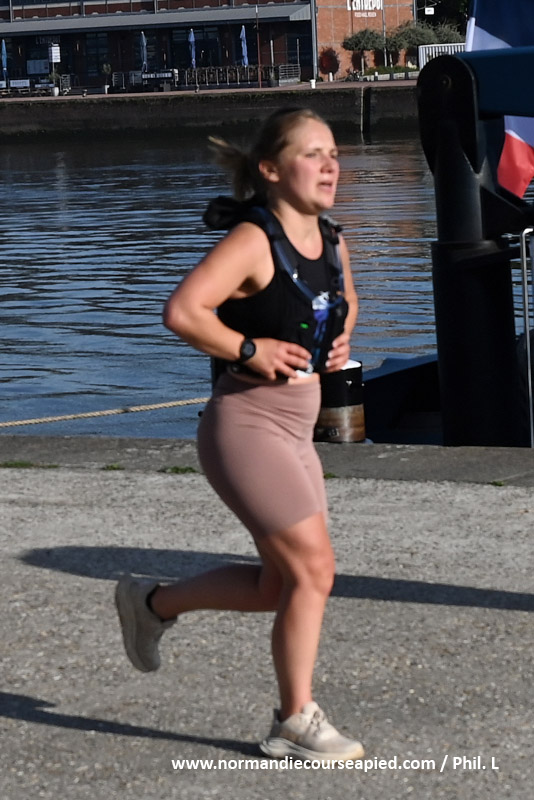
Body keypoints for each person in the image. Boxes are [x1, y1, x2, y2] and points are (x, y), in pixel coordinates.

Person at [115, 107, 363, 761]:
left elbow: (342, 304)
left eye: (333, 153)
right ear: (271, 170)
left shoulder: (332, 239)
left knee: (277, 586)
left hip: (297, 428)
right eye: (312, 154)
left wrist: (339, 341)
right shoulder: (254, 240)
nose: (330, 165)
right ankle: (295, 720)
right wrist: (249, 348)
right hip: (246, 425)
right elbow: (183, 310)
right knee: (315, 570)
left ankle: (152, 604)